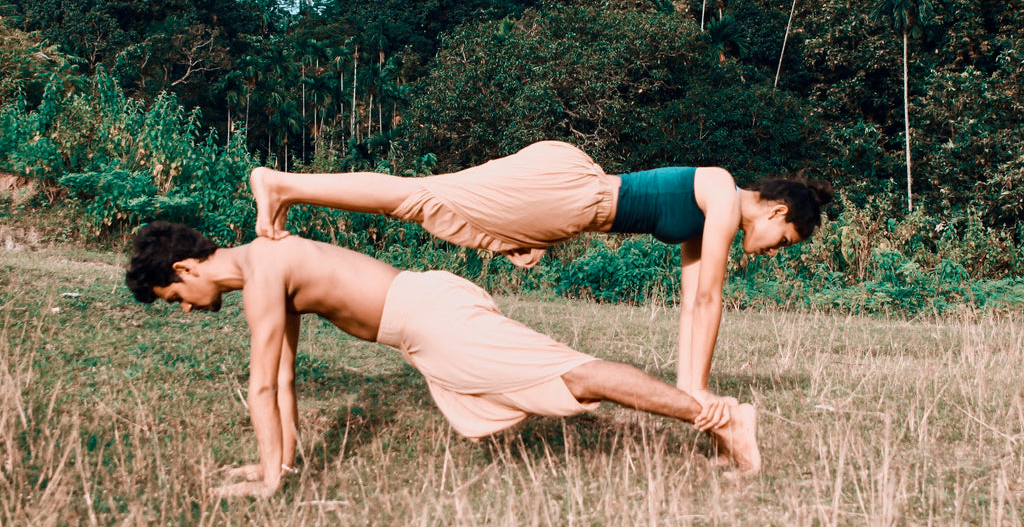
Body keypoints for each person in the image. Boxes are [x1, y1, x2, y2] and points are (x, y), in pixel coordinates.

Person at [125, 221, 762, 497]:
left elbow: (262, 389)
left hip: (427, 318)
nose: (184, 307)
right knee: (570, 378)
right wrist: (279, 465)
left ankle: (721, 418)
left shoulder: (261, 270)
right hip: (422, 322)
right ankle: (717, 419)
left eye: (174, 295)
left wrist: (265, 481)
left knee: (576, 375)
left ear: (184, 268)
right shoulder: (263, 267)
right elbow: (285, 379)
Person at [249, 140, 833, 414]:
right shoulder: (725, 196)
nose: (770, 252)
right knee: (420, 198)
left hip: (566, 202)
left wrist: (689, 389)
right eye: (781, 242)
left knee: (436, 203)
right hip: (572, 193)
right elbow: (710, 300)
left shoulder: (706, 217)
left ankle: (287, 187)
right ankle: (282, 184)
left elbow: (692, 306)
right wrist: (699, 396)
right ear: (776, 211)